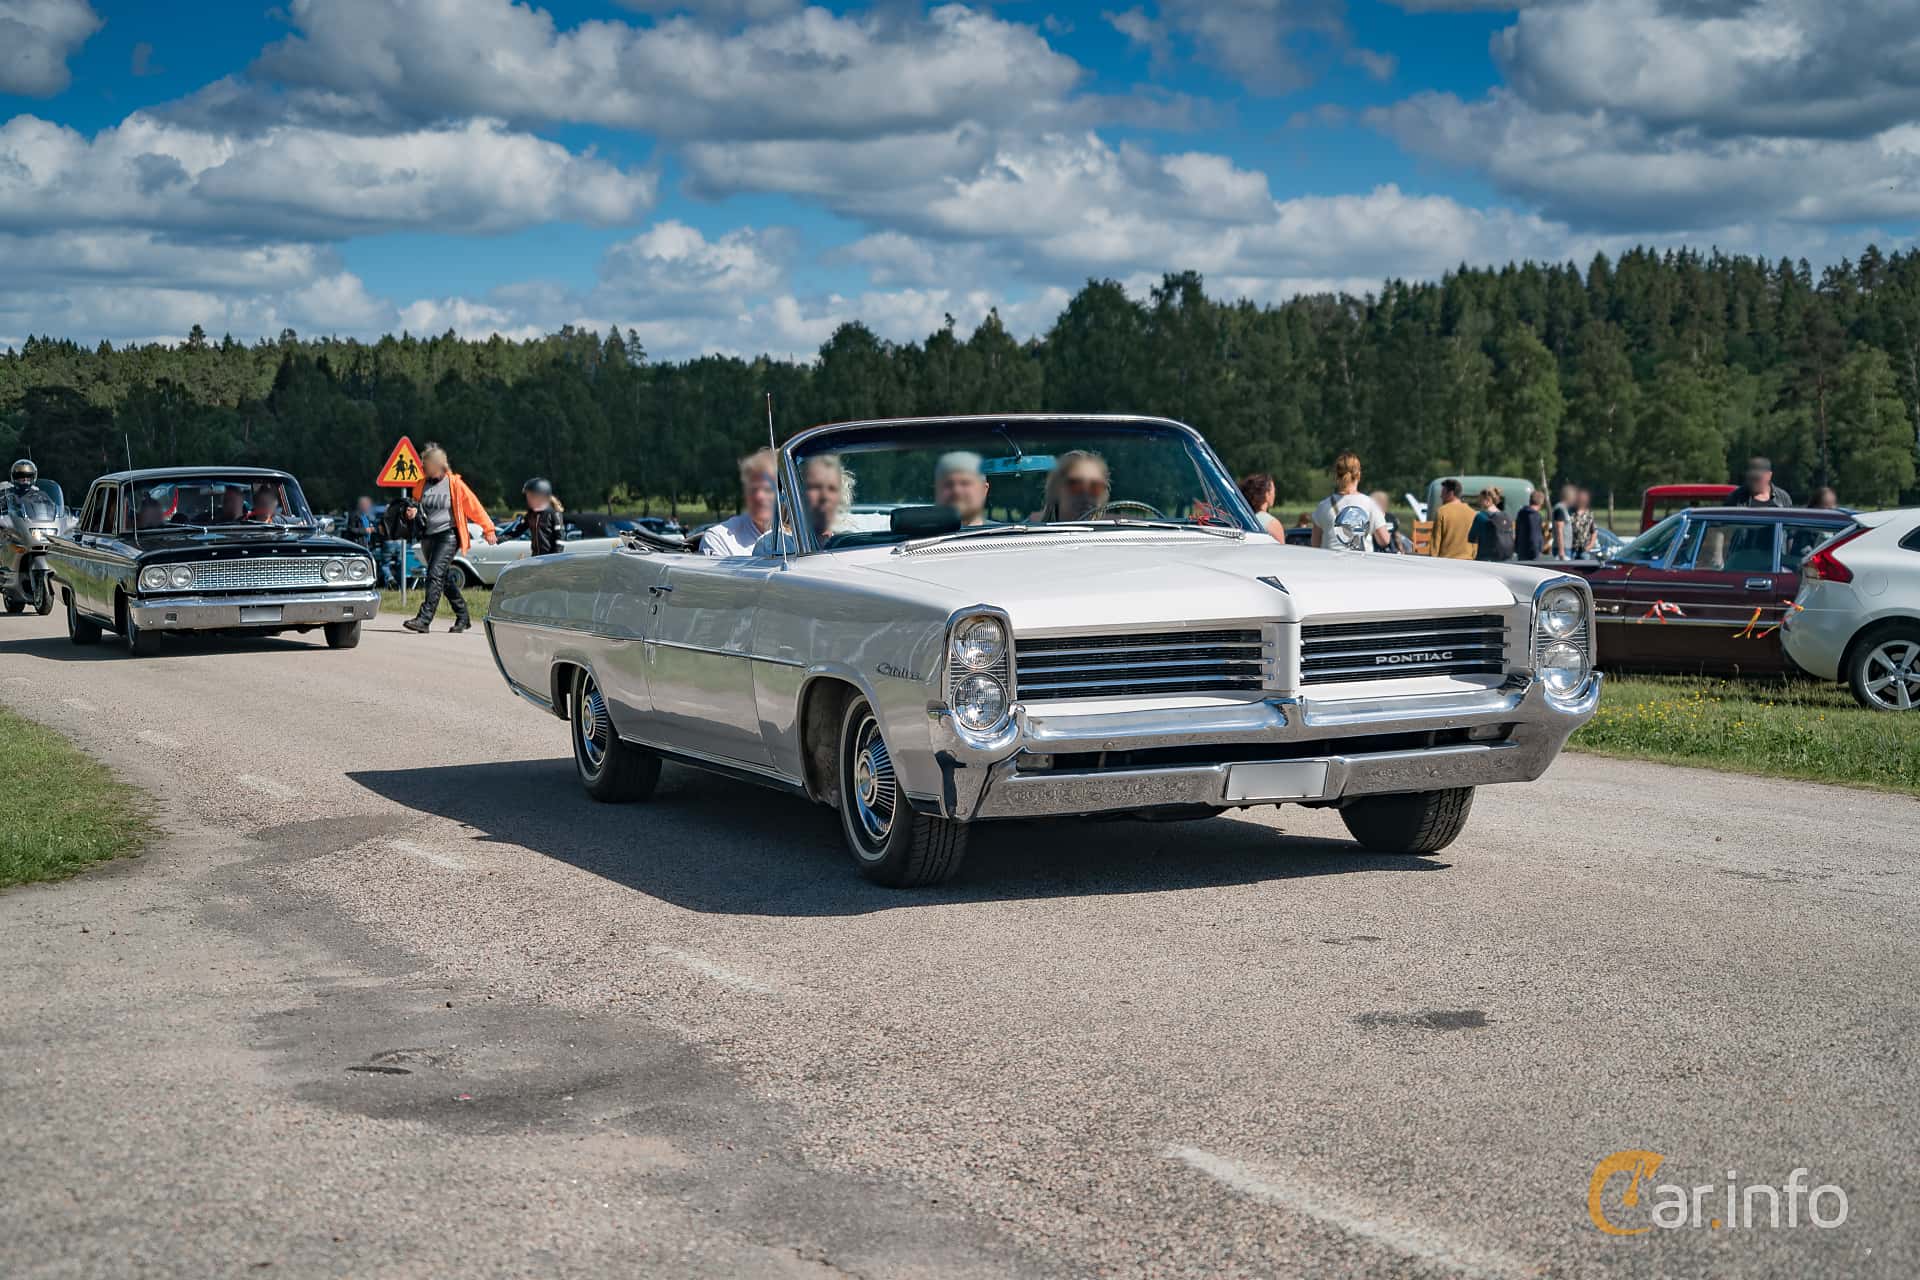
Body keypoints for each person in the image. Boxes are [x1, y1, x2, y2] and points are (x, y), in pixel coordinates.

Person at [401, 442, 496, 634]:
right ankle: (463, 616)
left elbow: (474, 506)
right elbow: (416, 508)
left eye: (425, 464)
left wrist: (488, 529)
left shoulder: (455, 484)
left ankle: (424, 619)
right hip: (428, 536)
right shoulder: (421, 485)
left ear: (436, 465)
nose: (422, 467)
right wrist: (411, 512)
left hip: (449, 535)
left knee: (434, 574)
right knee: (442, 578)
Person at [702, 449, 777, 556]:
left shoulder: (802, 539)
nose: (759, 496)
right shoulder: (719, 539)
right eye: (752, 489)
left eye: (768, 489)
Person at [1311, 452, 1389, 552]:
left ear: (1336, 476)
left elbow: (1315, 544)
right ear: (1359, 475)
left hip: (1330, 566)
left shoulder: (1323, 506)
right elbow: (1384, 540)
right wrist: (1381, 519)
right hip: (1361, 565)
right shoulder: (1370, 504)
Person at [1039, 451, 1110, 522]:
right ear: (1055, 490)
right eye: (1076, 485)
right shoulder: (1034, 532)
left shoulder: (1115, 532)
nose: (1086, 494)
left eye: (1095, 487)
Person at [935, 452, 992, 527]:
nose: (956, 491)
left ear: (984, 490)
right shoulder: (921, 537)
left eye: (965, 483)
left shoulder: (1005, 535)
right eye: (948, 484)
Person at [1425, 478, 1476, 559]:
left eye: (1443, 492)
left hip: (1446, 562)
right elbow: (1475, 543)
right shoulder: (1473, 513)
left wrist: (1432, 560)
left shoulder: (1442, 511)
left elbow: (1435, 541)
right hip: (1468, 561)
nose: (1441, 496)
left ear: (1451, 493)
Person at [1469, 487, 1516, 562]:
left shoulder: (1480, 516)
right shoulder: (1506, 516)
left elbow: (1472, 538)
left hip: (1485, 559)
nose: (1479, 502)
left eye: (1480, 500)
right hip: (1504, 559)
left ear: (1487, 500)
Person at [520, 478, 564, 556]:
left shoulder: (554, 513)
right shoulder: (532, 513)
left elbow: (559, 538)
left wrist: (555, 557)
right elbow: (519, 529)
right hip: (536, 557)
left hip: (549, 557)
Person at [1238, 473, 1285, 542]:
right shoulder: (1272, 524)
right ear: (1267, 494)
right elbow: (1282, 551)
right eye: (1273, 491)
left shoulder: (1240, 520)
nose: (1274, 495)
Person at [1515, 489, 1546, 560]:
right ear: (1541, 502)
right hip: (1532, 554)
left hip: (1521, 551)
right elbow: (1534, 536)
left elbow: (1517, 532)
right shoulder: (1535, 516)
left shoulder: (1521, 513)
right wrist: (1536, 551)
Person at [1569, 488, 1598, 559]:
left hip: (1584, 550)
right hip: (1571, 549)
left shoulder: (1589, 514)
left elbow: (1594, 531)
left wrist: (1590, 545)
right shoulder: (1569, 513)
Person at [1551, 483, 1577, 558]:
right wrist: (1561, 550)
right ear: (1569, 497)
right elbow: (1559, 530)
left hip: (1566, 548)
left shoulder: (1565, 509)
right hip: (1563, 549)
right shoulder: (1560, 509)